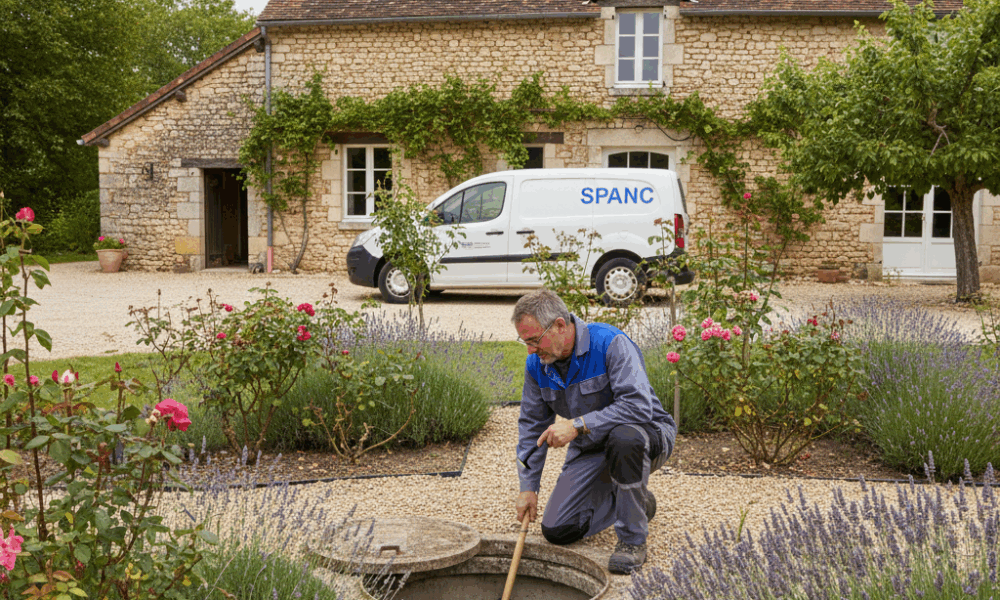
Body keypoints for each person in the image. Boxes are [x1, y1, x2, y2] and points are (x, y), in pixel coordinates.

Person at [511, 289, 676, 574]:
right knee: (558, 529)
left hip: (645, 436)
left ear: (561, 325)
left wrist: (577, 425)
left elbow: (638, 407)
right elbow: (531, 426)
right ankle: (637, 502)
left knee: (624, 438)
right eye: (524, 342)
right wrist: (528, 487)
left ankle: (632, 540)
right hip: (592, 445)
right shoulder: (537, 365)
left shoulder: (611, 343)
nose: (530, 350)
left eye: (534, 340)